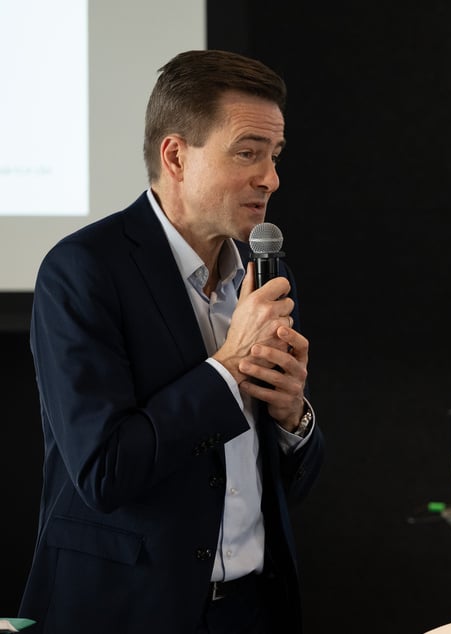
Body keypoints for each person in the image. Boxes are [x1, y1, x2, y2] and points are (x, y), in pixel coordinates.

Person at [18, 50, 325, 634]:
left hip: (252, 609)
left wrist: (292, 419)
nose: (271, 177)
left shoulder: (263, 273)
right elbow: (105, 472)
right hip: (128, 610)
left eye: (275, 155)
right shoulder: (83, 270)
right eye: (248, 153)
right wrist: (230, 368)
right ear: (176, 155)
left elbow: (276, 484)